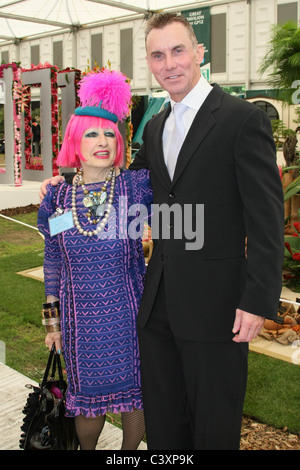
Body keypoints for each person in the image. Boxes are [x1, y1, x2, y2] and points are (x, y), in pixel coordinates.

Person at [40, 13, 284, 450]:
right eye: (158, 55)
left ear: (199, 53)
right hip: (156, 308)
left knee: (212, 424)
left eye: (178, 50)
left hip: (217, 308)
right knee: (167, 423)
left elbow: (267, 219)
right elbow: (119, 188)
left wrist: (257, 299)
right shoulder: (155, 128)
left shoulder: (241, 119)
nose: (169, 63)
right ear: (150, 64)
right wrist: (63, 180)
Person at [37, 69, 152, 450]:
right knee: (88, 409)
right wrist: (52, 324)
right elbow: (53, 261)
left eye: (109, 134)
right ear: (75, 141)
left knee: (135, 401)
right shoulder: (58, 198)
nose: (102, 141)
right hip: (80, 323)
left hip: (129, 317)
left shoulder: (136, 188)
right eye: (91, 134)